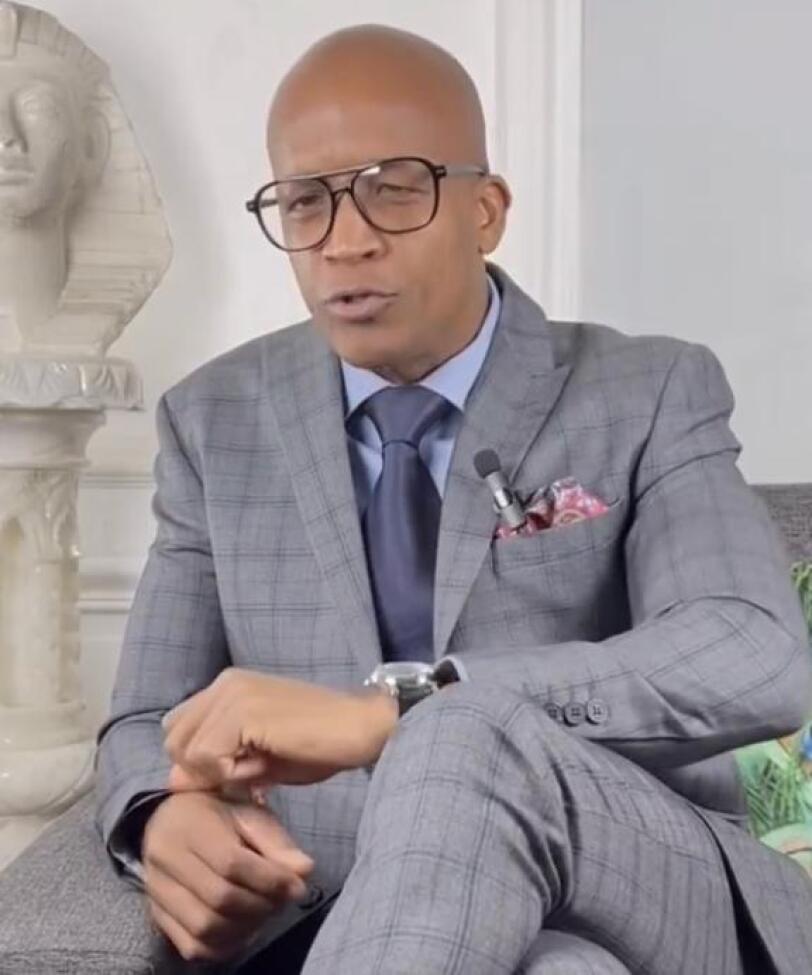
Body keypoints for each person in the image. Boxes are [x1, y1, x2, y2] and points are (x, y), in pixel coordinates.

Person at [95, 23, 812, 975]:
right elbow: (144, 716)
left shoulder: (649, 390)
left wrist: (398, 708)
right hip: (335, 916)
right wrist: (162, 811)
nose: (345, 241)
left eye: (394, 188)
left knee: (464, 726)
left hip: (639, 886)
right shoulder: (212, 421)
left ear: (486, 210)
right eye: (305, 202)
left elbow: (750, 651)